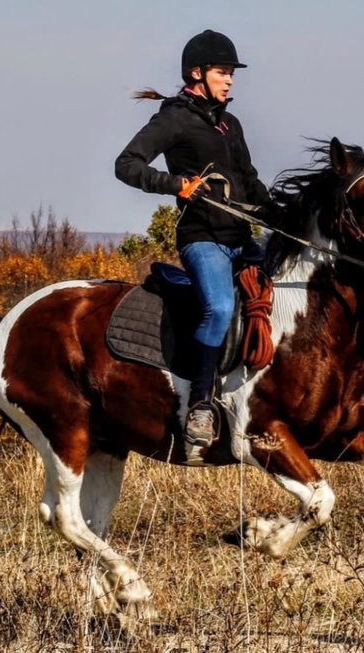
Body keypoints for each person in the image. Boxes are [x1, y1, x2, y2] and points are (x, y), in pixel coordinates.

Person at [115, 29, 271, 446]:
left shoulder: (230, 124)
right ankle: (199, 405)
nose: (230, 80)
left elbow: (249, 180)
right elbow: (126, 165)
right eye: (223, 72)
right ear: (197, 73)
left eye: (231, 73)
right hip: (202, 238)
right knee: (219, 308)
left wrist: (279, 211)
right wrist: (175, 184)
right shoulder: (174, 119)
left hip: (241, 237)